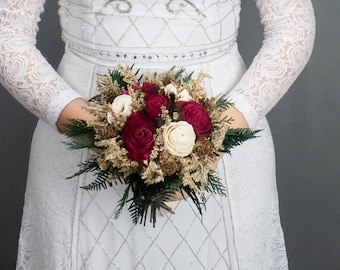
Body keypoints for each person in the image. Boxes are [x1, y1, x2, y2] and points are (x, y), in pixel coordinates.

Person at [0, 0, 315, 269]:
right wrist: (99, 133)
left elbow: (293, 28)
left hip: (222, 139)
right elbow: (7, 34)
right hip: (79, 138)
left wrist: (217, 136)